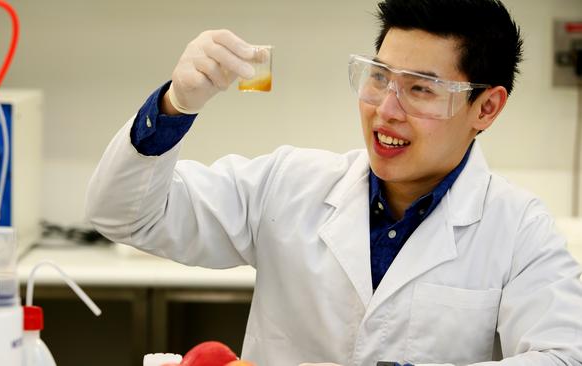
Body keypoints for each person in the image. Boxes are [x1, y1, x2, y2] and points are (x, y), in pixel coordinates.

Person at [85, 0, 582, 364]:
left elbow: (563, 357)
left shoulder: (519, 229)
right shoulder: (289, 184)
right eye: (380, 78)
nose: (387, 111)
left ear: (487, 107)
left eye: (420, 89)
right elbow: (125, 216)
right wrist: (175, 105)